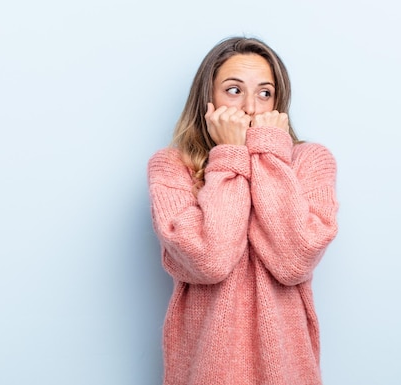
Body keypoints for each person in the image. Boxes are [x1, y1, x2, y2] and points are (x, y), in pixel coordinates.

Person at [147, 36, 339, 385]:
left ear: (279, 102)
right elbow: (210, 259)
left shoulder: (311, 161)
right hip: (207, 369)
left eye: (265, 93)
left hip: (286, 369)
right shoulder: (172, 167)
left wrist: (267, 153)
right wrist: (230, 154)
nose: (251, 107)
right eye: (234, 90)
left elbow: (294, 260)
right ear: (207, 97)